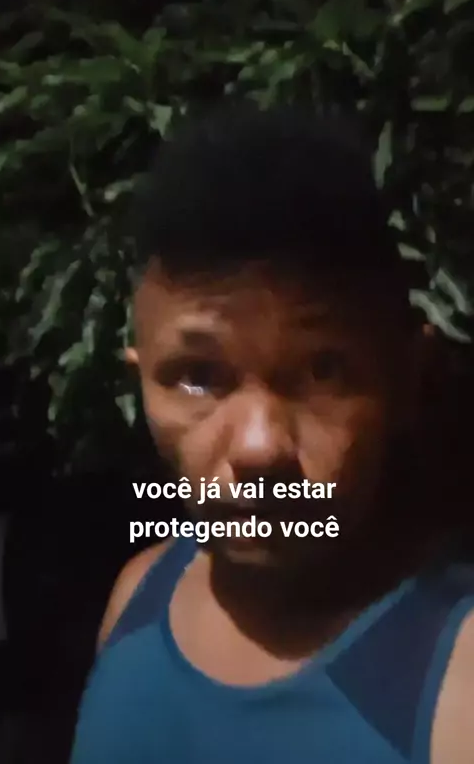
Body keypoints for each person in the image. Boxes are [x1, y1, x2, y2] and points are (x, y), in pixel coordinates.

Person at [70, 104, 474, 764]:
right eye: (198, 376)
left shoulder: (458, 681)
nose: (259, 448)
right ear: (139, 382)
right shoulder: (138, 595)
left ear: (408, 380)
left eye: (323, 371)